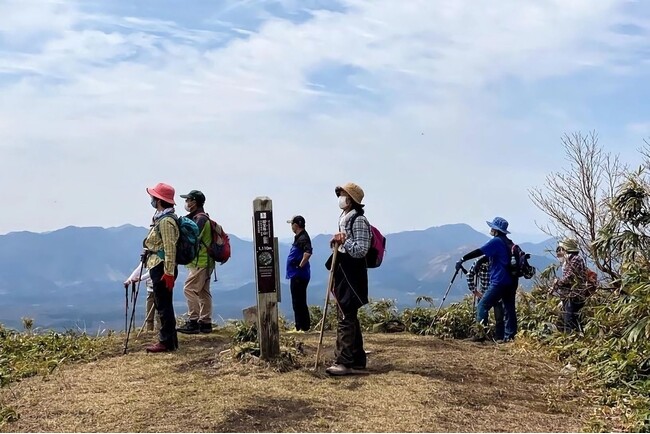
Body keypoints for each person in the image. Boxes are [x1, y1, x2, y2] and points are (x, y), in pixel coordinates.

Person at [326, 182, 371, 376]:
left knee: (346, 315)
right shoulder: (345, 218)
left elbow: (361, 250)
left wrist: (344, 240)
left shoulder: (359, 220)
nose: (340, 198)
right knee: (348, 313)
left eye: (343, 194)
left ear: (351, 199)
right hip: (344, 272)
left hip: (352, 274)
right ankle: (357, 358)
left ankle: (343, 361)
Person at [455, 217, 518, 342]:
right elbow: (491, 256)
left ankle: (480, 334)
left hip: (499, 281)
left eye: (492, 227)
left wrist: (463, 259)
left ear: (496, 230)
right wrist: (480, 261)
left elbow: (480, 251)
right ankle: (509, 337)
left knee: (482, 305)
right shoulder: (508, 242)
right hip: (512, 282)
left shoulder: (496, 241)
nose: (490, 229)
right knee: (509, 308)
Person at [143, 182, 179, 353]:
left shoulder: (165, 222)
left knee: (163, 305)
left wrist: (169, 273)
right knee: (164, 304)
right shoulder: (164, 218)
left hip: (162, 267)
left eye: (153, 197)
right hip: (162, 267)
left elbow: (170, 247)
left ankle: (166, 341)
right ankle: (170, 340)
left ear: (158, 200)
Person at [176, 190, 215, 334]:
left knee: (189, 288)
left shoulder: (200, 219)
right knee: (204, 291)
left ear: (194, 202)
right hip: (207, 261)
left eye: (188, 200)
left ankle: (193, 321)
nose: (186, 203)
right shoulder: (203, 217)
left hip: (200, 261)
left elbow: (192, 236)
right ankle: (205, 322)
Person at [552, 238, 587, 333]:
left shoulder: (575, 259)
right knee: (567, 319)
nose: (560, 251)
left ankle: (572, 339)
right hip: (569, 294)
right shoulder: (570, 259)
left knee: (569, 320)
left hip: (574, 295)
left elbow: (569, 277)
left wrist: (557, 283)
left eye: (562, 248)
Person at [466, 255, 504, 341]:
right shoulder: (498, 261)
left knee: (484, 312)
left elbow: (470, 274)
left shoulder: (479, 262)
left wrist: (474, 291)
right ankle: (497, 336)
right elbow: (470, 274)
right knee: (498, 316)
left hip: (488, 292)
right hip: (494, 293)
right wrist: (475, 291)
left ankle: (482, 335)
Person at [286, 215, 313, 333]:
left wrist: (299, 265)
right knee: (299, 300)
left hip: (299, 275)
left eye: (292, 224)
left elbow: (308, 253)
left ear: (295, 225)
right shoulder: (300, 237)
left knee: (298, 301)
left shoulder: (303, 238)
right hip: (297, 274)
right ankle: (302, 326)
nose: (291, 227)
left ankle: (302, 327)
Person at [124, 262, 160, 332]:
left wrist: (140, 278)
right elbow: (139, 268)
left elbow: (153, 271)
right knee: (149, 315)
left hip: (159, 288)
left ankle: (159, 333)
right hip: (150, 289)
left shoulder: (157, 257)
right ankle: (149, 332)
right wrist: (129, 280)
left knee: (159, 314)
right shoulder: (147, 256)